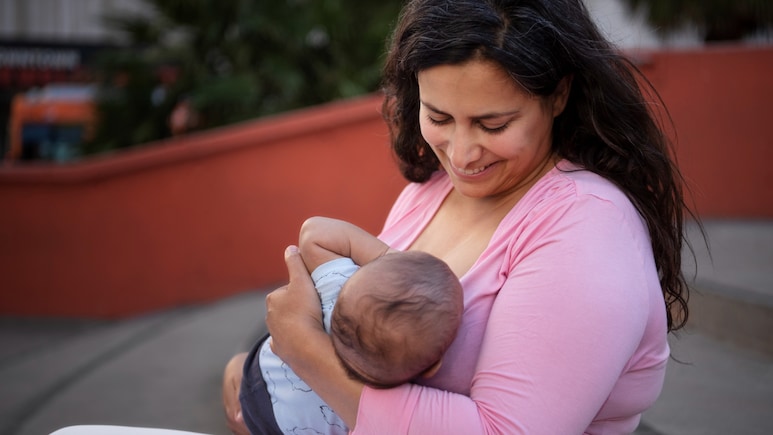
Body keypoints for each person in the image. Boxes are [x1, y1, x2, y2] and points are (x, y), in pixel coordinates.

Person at [223, 0, 697, 434]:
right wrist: (265, 377)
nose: (462, 155)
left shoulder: (587, 229)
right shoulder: (430, 191)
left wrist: (306, 355)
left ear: (558, 95)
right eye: (440, 118)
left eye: (493, 124)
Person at [239, 216, 463, 435]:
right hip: (287, 427)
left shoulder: (338, 285)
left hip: (263, 370)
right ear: (432, 367)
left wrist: (386, 255)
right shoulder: (398, 390)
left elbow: (315, 232)